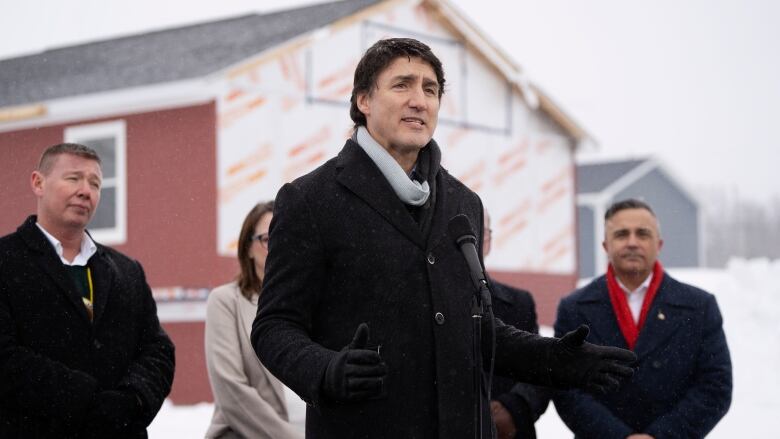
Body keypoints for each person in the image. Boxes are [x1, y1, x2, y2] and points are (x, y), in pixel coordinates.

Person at [252, 38, 636, 439]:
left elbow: (475, 329)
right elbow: (274, 327)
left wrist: (553, 358)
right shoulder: (309, 200)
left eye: (430, 89)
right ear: (363, 100)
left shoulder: (463, 203)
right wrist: (326, 369)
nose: (420, 100)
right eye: (402, 85)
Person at [0, 143, 175, 438]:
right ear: (38, 183)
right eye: (73, 178)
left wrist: (132, 399)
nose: (85, 190)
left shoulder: (127, 271)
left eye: (95, 183)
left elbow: (158, 351)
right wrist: (87, 400)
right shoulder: (6, 261)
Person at [553, 198, 732, 438]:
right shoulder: (574, 308)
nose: (632, 242)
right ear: (606, 245)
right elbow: (565, 387)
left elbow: (715, 386)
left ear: (659, 244)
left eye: (643, 234)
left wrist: (661, 435)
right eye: (621, 234)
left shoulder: (699, 306)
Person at [204, 201, 303, 439]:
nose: (278, 245)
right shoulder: (225, 302)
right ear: (247, 248)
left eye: (285, 236)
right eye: (268, 239)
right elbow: (231, 391)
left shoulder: (311, 303)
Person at [483, 210, 551, 439]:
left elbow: (540, 373)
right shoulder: (422, 303)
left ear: (488, 240)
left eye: (478, 231)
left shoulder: (519, 304)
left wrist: (512, 409)